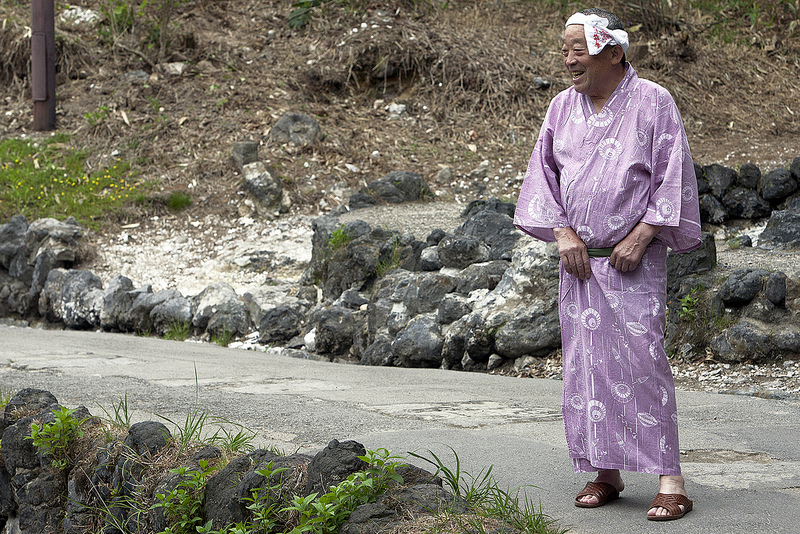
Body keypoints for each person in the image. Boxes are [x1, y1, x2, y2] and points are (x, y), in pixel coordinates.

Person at [513, 8, 701, 522]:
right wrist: (562, 232)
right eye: (566, 48)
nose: (569, 58)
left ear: (612, 52)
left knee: (644, 362)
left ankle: (671, 479)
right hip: (579, 266)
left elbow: (673, 175)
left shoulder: (653, 102)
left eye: (580, 48)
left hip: (633, 260)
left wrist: (642, 235)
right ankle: (606, 471)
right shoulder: (560, 108)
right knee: (586, 367)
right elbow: (542, 179)